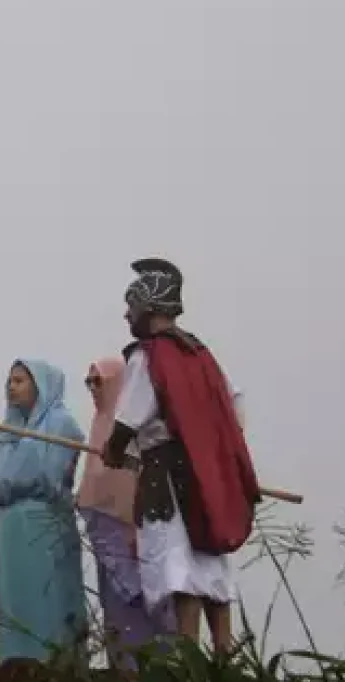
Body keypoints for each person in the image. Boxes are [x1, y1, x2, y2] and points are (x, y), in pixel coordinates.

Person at [100, 258, 258, 656]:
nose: (126, 314)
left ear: (148, 308)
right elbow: (233, 409)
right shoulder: (201, 355)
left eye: (131, 306)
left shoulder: (148, 357)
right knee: (211, 565)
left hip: (168, 478)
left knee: (180, 568)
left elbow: (129, 419)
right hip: (209, 475)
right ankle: (223, 656)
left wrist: (114, 450)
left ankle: (190, 663)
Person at [0, 358, 87, 665]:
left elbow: (47, 476)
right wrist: (11, 477)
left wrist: (10, 477)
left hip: (44, 524)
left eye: (19, 381)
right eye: (10, 381)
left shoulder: (60, 424)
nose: (11, 387)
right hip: (11, 528)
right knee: (17, 603)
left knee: (49, 600)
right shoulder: (10, 430)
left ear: (41, 385)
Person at [80, 356, 175, 668]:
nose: (93, 388)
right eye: (89, 382)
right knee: (117, 615)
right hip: (106, 541)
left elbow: (136, 483)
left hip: (135, 539)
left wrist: (136, 529)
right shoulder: (99, 427)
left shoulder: (131, 430)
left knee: (144, 611)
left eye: (99, 381)